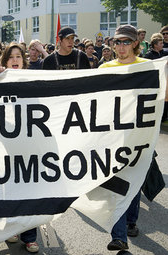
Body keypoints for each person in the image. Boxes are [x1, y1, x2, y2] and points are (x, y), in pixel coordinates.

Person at [99, 24, 148, 251]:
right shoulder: (106, 67)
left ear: (136, 42)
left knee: (134, 184)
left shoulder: (149, 67)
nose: (120, 46)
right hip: (113, 138)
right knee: (116, 186)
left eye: (126, 42)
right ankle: (119, 237)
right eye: (117, 42)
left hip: (140, 137)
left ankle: (131, 221)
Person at [0, 43, 39, 253]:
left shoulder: (33, 80)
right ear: (5, 60)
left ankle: (29, 237)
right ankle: (11, 228)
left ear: (24, 60)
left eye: (18, 57)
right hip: (5, 144)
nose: (15, 60)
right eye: (11, 57)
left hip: (29, 144)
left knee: (30, 191)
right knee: (9, 189)